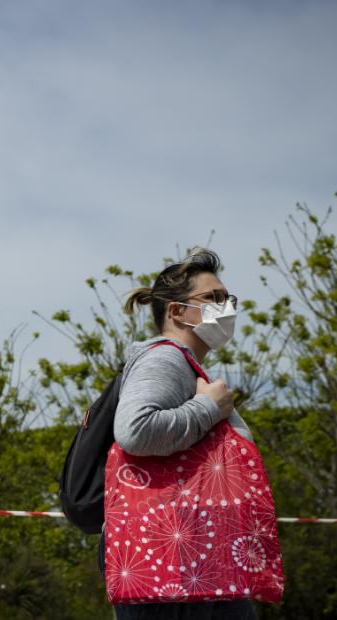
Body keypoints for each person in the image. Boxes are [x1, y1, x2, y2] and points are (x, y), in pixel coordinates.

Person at [103, 248, 258, 620]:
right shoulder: (165, 358)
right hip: (174, 557)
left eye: (229, 299)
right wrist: (208, 408)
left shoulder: (181, 362)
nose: (226, 308)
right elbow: (134, 430)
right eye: (213, 298)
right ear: (176, 311)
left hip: (193, 554)